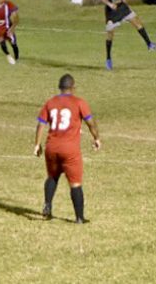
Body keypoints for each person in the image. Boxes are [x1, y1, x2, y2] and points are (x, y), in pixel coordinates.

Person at [34, 74, 100, 224]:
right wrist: (96, 138)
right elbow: (91, 123)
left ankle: (47, 205)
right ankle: (79, 217)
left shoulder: (50, 102)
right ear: (73, 87)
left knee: (52, 176)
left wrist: (37, 144)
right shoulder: (79, 102)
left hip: (52, 147)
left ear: (60, 87)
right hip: (70, 150)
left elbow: (41, 124)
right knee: (75, 183)